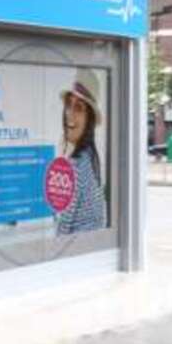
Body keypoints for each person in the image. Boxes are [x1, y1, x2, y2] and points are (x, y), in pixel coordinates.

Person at [56, 69, 108, 235]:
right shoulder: (91, 158)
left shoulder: (75, 166)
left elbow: (62, 232)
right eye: (68, 104)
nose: (69, 114)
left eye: (78, 108)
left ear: (90, 120)